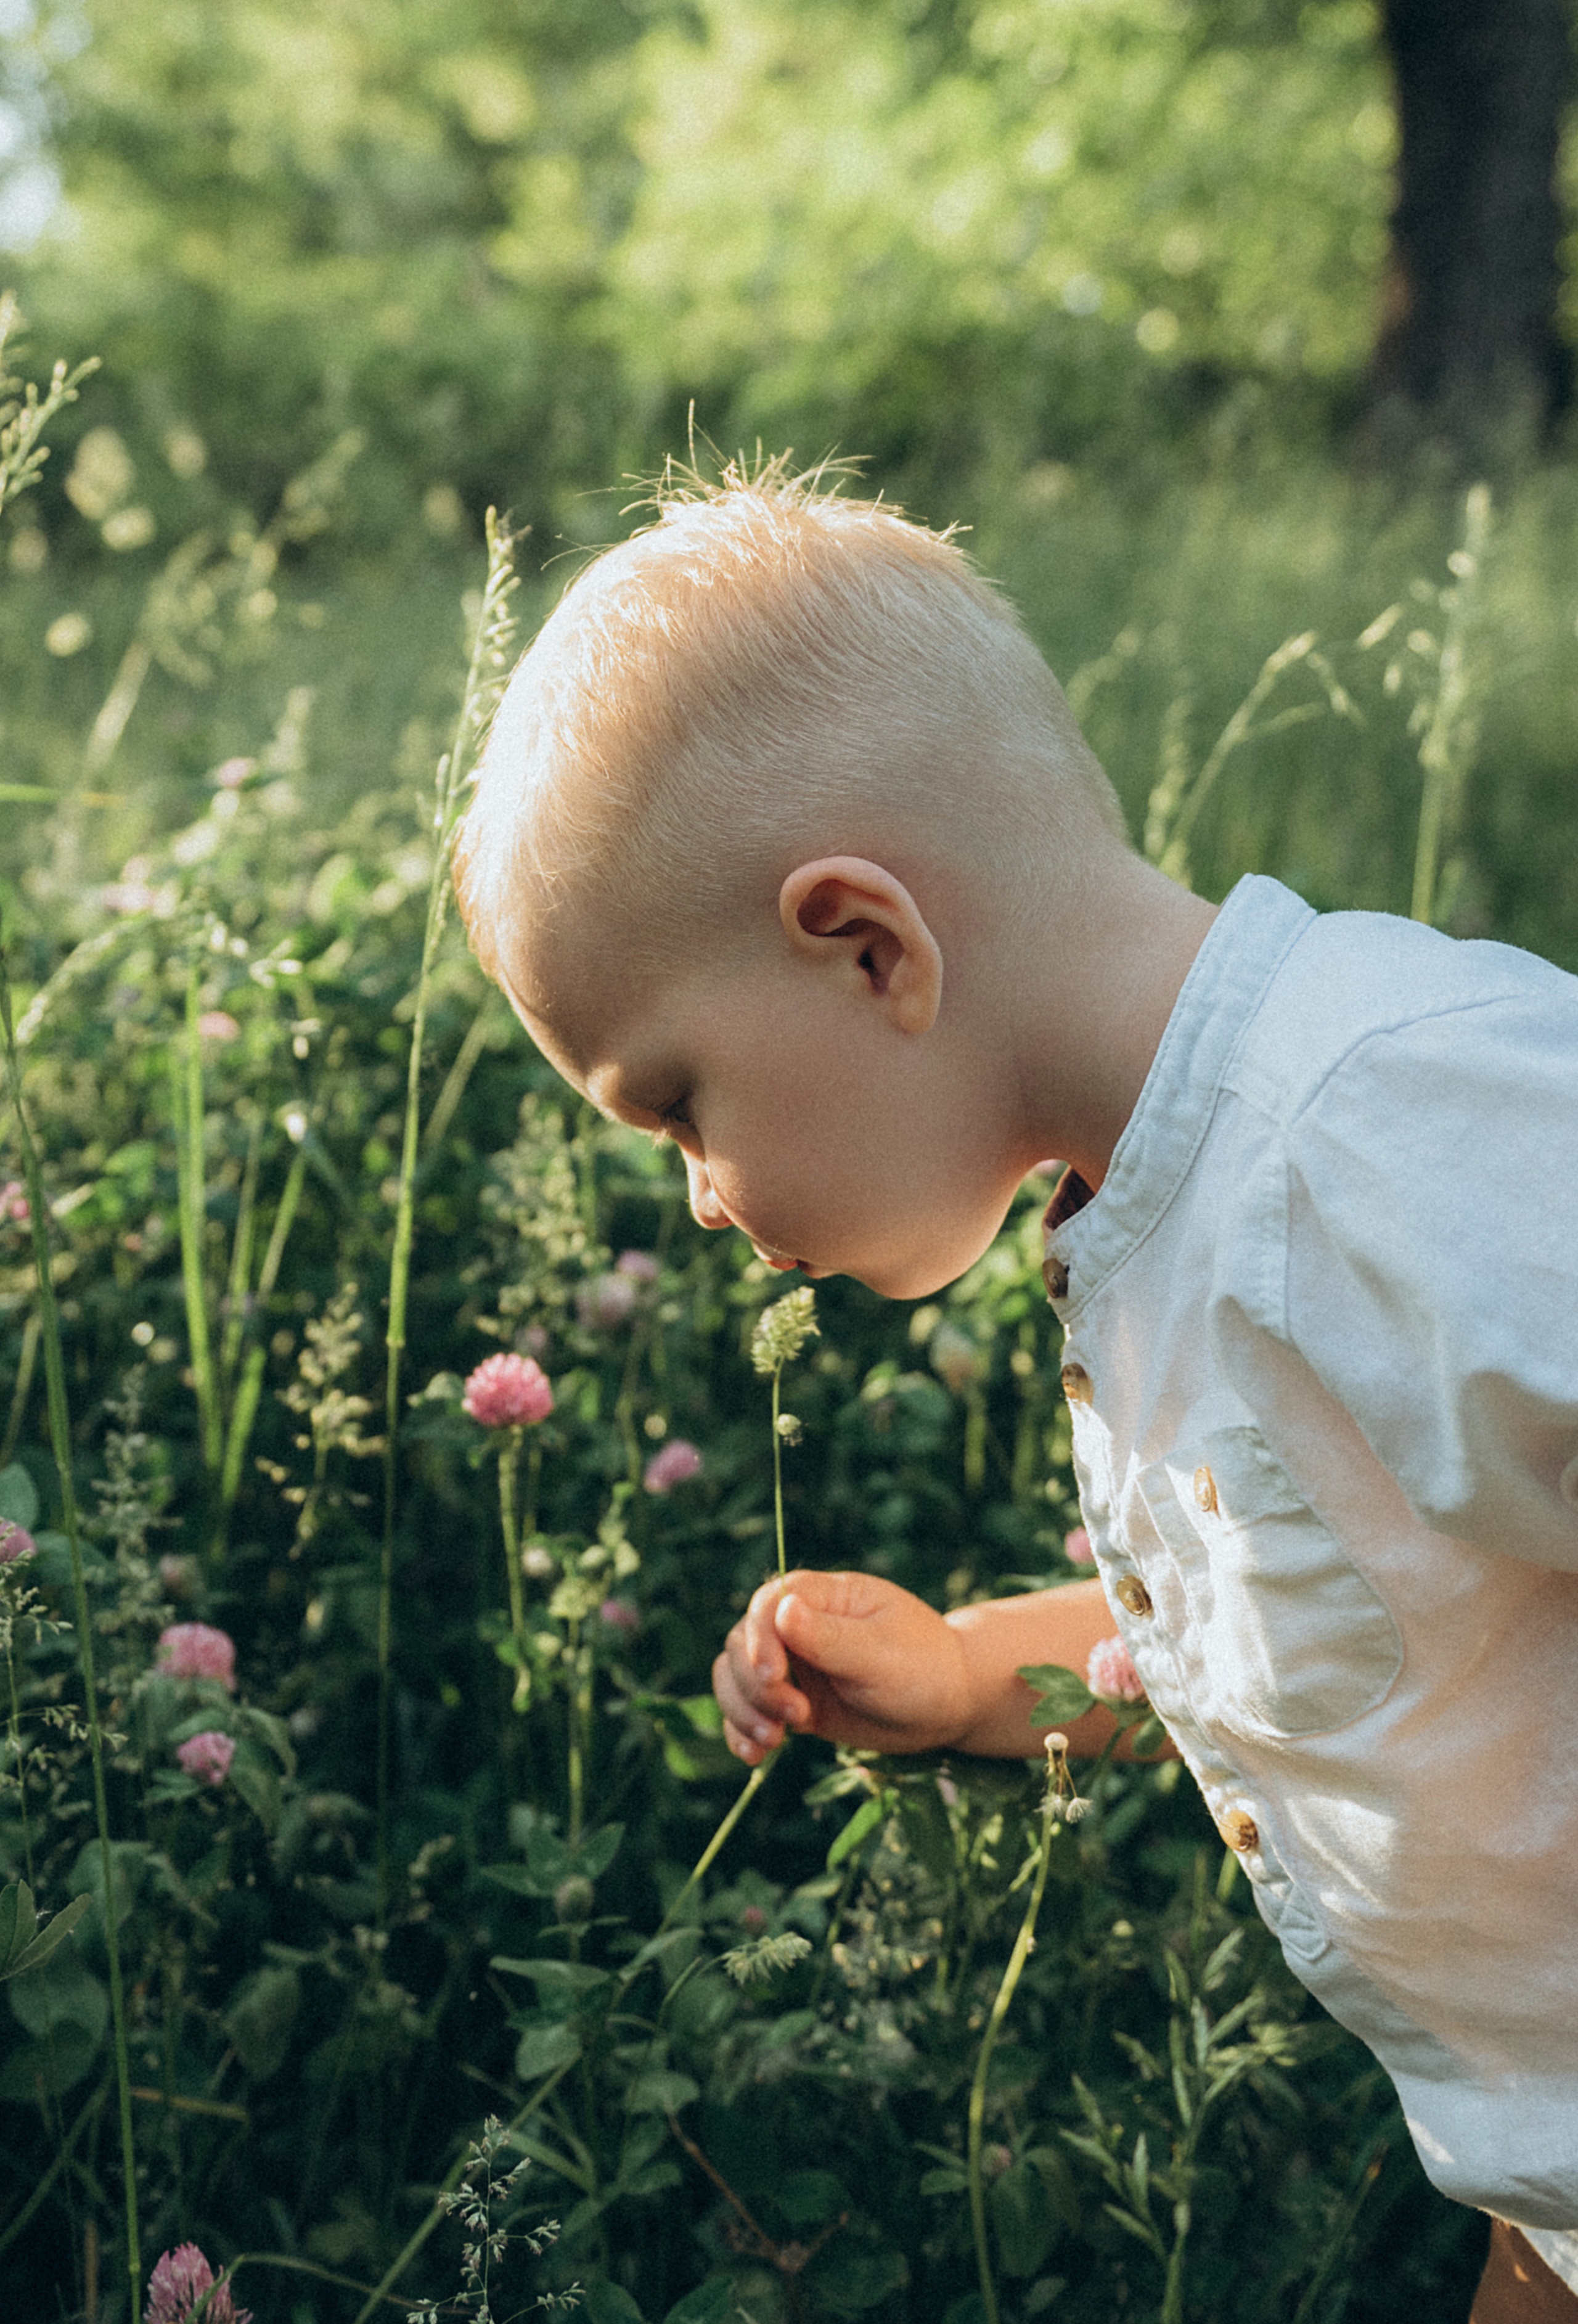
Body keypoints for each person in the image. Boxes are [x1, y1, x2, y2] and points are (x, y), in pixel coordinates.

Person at [454, 464, 1578, 2320]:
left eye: (678, 1105)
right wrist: (981, 1671)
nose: (703, 1194)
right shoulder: (1156, 1229)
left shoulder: (1375, 1129)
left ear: (869, 944)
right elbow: (1342, 1617)